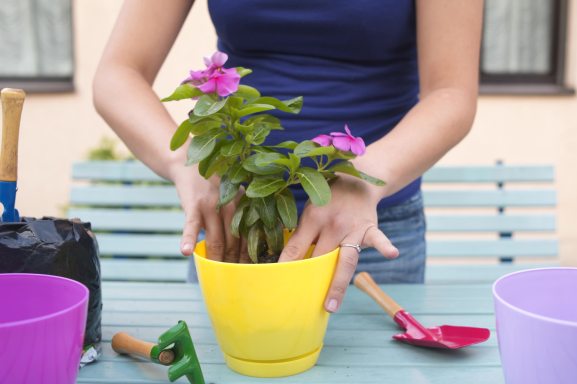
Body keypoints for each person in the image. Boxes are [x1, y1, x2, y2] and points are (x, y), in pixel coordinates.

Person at [93, 0, 483, 313]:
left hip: (364, 234)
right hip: (239, 229)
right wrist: (186, 162)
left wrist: (365, 177)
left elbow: (451, 94)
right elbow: (118, 73)